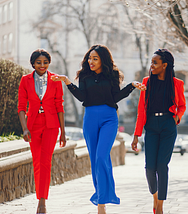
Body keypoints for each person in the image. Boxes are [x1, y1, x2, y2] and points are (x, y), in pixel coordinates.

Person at [51, 44, 146, 214]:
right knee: (95, 160)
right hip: (90, 119)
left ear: (103, 60)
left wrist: (131, 86)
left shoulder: (112, 75)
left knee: (102, 157)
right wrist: (67, 82)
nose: (91, 61)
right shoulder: (84, 76)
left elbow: (115, 97)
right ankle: (101, 201)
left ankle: (103, 199)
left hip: (109, 118)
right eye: (89, 58)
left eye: (95, 58)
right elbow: (82, 97)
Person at [132, 49, 186, 214]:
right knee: (149, 168)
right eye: (151, 62)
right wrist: (136, 135)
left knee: (162, 166)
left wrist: (177, 117)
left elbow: (182, 105)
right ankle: (155, 197)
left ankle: (160, 206)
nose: (152, 66)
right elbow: (141, 109)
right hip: (151, 126)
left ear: (165, 65)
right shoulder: (147, 82)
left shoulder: (177, 84)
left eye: (155, 63)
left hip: (168, 125)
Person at [18, 48, 66, 214]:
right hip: (33, 126)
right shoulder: (25, 80)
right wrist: (24, 128)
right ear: (33, 63)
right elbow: (21, 107)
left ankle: (42, 201)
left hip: (51, 126)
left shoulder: (56, 80)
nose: (42, 65)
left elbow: (60, 106)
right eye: (39, 62)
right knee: (37, 162)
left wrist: (63, 133)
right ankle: (40, 196)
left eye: (45, 62)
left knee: (45, 162)